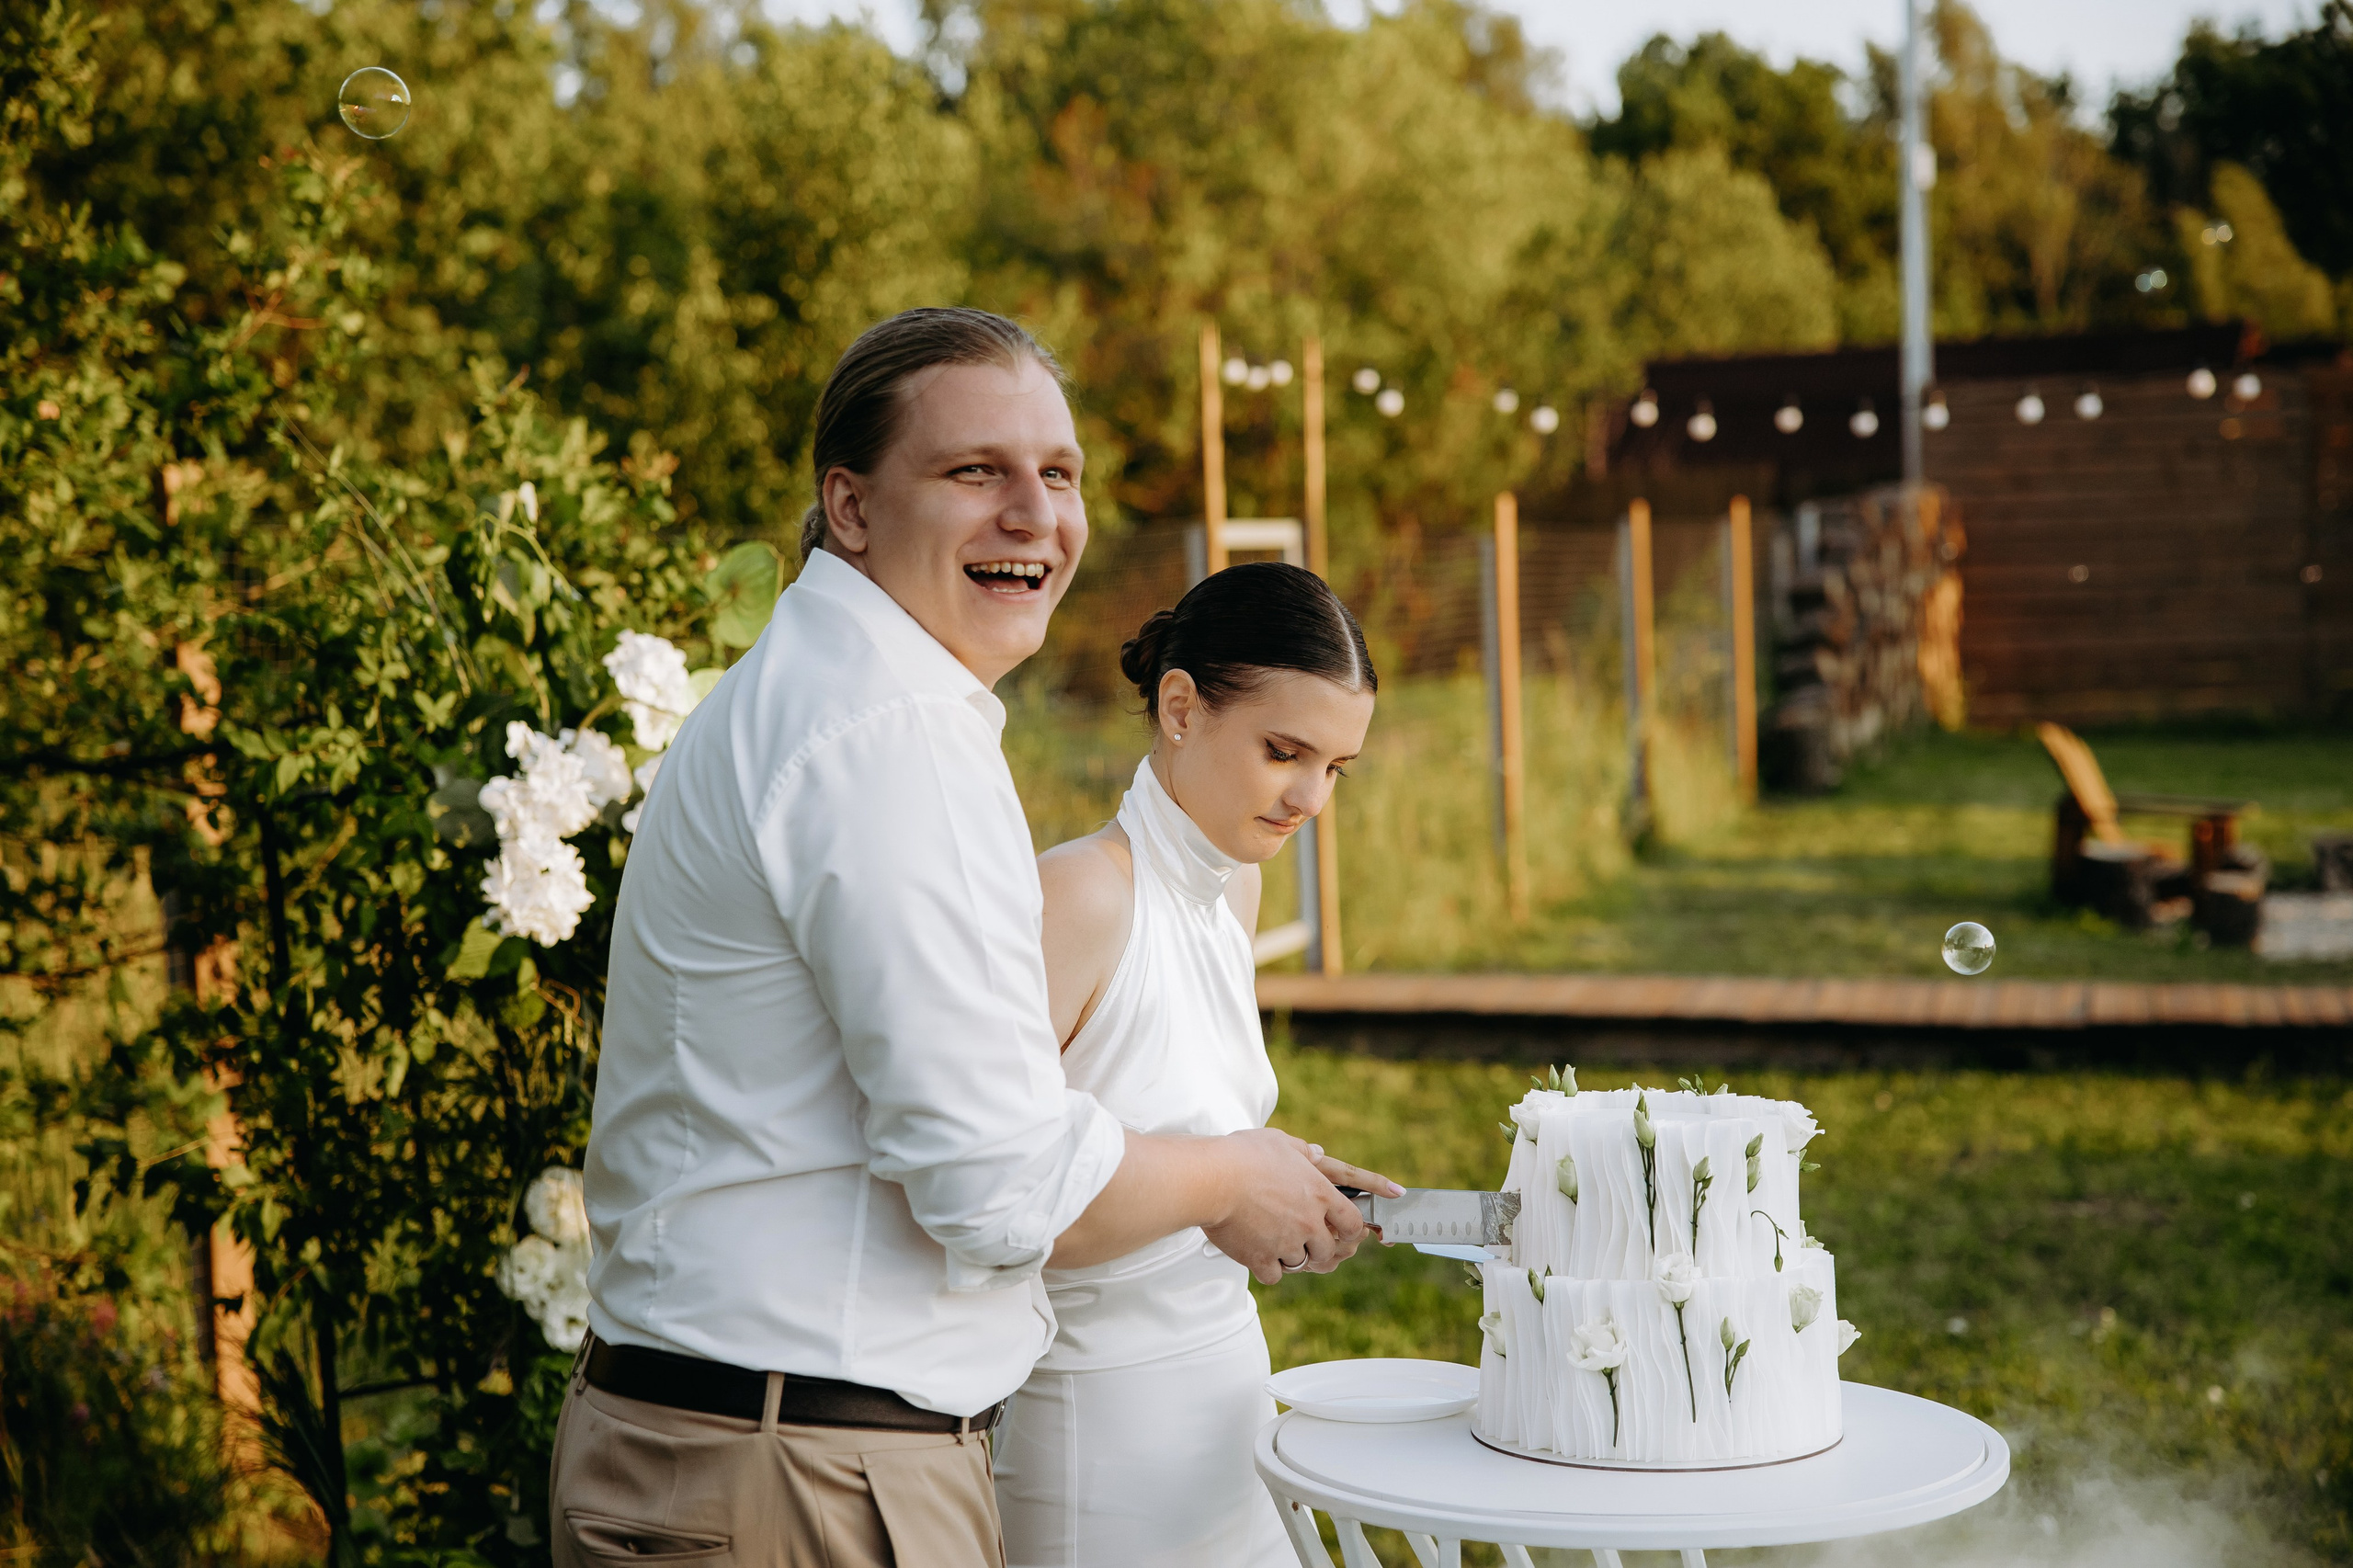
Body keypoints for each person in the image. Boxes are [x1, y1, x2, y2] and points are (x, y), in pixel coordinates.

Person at [549, 309, 1398, 1568]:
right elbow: (997, 1182)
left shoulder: (819, 695)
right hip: (796, 1475)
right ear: (850, 507)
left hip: (744, 1449)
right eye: (974, 471)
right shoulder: (884, 733)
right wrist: (1226, 1176)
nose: (1034, 514)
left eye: (1057, 474)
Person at [993, 563, 1381, 1568]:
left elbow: (1176, 1122)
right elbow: (990, 1205)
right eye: (1283, 750)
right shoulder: (1075, 897)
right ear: (1179, 707)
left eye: (1336, 766)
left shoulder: (1234, 891)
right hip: (1095, 1427)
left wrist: (1285, 1188)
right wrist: (1222, 1184)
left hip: (1229, 1399)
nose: (1309, 796)